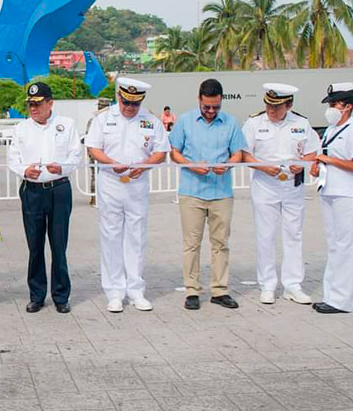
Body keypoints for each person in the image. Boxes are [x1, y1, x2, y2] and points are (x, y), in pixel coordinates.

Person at [86, 78, 169, 312]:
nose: (129, 107)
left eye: (134, 103)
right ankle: (114, 292)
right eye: (125, 102)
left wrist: (144, 165)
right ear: (119, 96)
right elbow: (93, 148)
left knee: (136, 237)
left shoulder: (151, 120)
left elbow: (161, 151)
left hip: (137, 184)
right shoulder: (103, 119)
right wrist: (112, 163)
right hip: (110, 182)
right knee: (110, 237)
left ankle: (135, 291)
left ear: (141, 101)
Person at [169, 78, 247, 311]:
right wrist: (191, 165)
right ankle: (192, 290)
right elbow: (174, 152)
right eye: (207, 107)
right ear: (199, 100)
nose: (211, 111)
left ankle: (220, 290)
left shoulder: (231, 122)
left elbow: (238, 154)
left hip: (221, 192)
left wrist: (228, 164)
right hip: (191, 191)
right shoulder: (185, 121)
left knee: (220, 243)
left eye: (216, 107)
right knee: (191, 243)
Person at [242, 83, 320, 305]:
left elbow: (312, 151)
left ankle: (293, 285)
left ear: (289, 105)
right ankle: (267, 285)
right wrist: (263, 166)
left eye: (277, 107)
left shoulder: (301, 123)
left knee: (293, 234)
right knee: (265, 236)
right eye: (268, 105)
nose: (271, 110)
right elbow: (245, 154)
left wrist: (303, 164)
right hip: (265, 185)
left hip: (292, 186)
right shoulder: (254, 123)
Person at [7, 82, 80, 314]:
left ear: (50, 103)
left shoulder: (65, 125)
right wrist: (24, 171)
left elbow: (75, 154)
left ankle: (61, 295)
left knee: (59, 244)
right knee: (35, 245)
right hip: (33, 190)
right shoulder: (21, 129)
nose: (34, 108)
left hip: (59, 189)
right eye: (30, 104)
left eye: (38, 104)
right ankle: (37, 295)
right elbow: (13, 158)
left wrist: (63, 168)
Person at [309, 83, 353, 314]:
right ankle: (331, 296)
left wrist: (329, 161)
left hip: (348, 194)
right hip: (330, 190)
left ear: (347, 106)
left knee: (347, 246)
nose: (332, 107)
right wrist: (318, 167)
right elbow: (326, 157)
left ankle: (342, 301)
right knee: (334, 245)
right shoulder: (333, 129)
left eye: (335, 103)